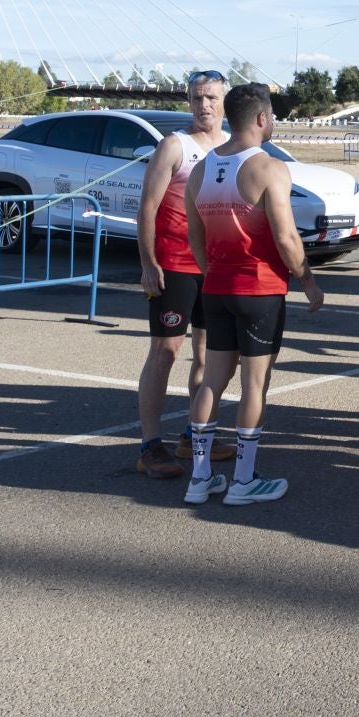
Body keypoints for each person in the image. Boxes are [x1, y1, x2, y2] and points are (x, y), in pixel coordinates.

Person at [182, 83, 324, 506]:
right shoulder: (269, 168)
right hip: (259, 290)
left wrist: (213, 275)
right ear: (262, 119)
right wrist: (309, 282)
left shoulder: (201, 168)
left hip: (216, 287)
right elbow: (286, 236)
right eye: (273, 116)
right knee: (254, 385)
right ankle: (243, 480)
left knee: (212, 381)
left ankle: (200, 477)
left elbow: (195, 238)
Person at [133, 70, 232, 480]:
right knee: (165, 352)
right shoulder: (175, 146)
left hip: (217, 268)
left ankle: (194, 434)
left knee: (209, 357)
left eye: (210, 97)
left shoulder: (232, 147)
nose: (203, 105)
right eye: (196, 98)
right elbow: (146, 208)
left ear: (224, 100)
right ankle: (149, 446)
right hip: (173, 265)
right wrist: (148, 263)